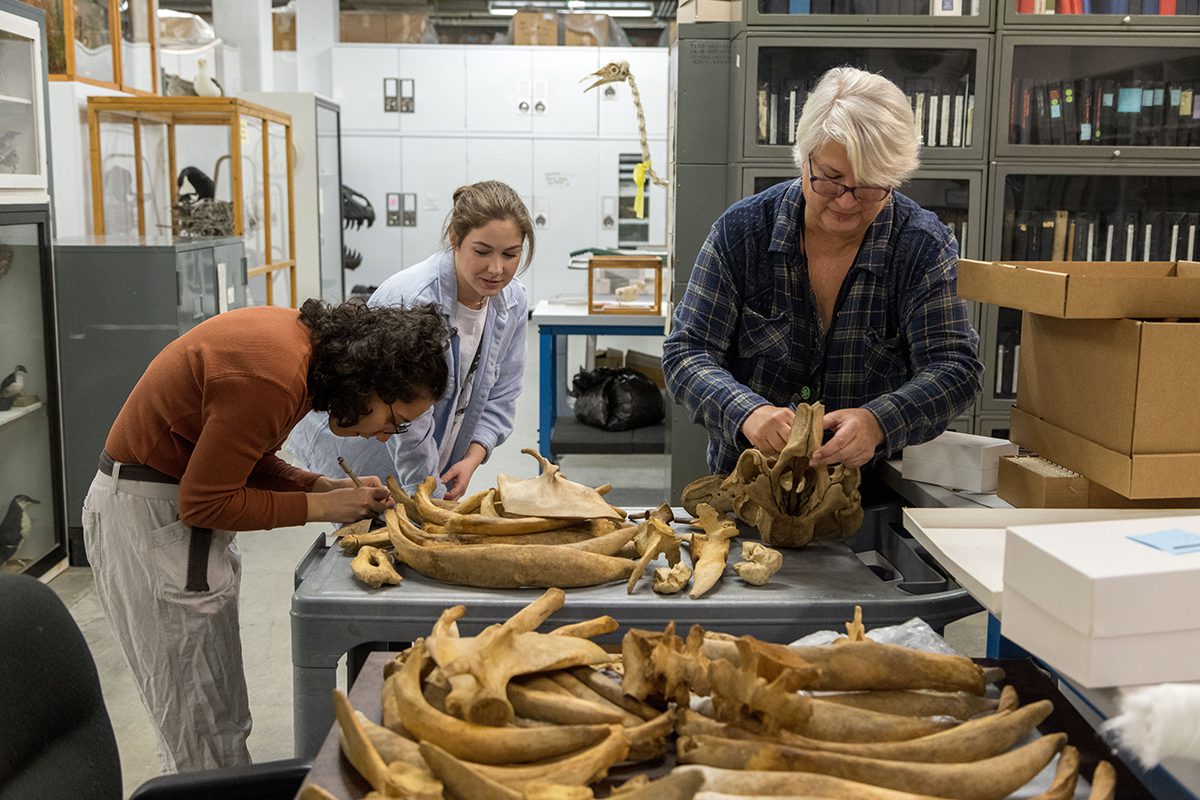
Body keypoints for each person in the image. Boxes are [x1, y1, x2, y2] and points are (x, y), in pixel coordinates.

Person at [82, 300, 450, 773]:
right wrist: (319, 507)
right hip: (153, 517)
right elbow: (204, 501)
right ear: (372, 379)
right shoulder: (274, 375)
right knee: (202, 725)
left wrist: (318, 485)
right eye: (394, 421)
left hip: (164, 508)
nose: (385, 437)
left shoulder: (298, 351)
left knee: (215, 712)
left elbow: (240, 454)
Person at [663, 66, 982, 483]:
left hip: (869, 498)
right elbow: (687, 352)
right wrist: (748, 412)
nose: (847, 202)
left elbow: (955, 366)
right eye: (830, 180)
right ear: (804, 158)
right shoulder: (743, 232)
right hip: (750, 490)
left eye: (869, 186)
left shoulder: (921, 245)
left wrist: (878, 422)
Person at [287, 180, 534, 500]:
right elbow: (406, 418)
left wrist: (472, 458)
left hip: (430, 453)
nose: (496, 268)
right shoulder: (412, 298)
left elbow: (503, 392)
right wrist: (426, 497)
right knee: (377, 527)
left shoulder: (511, 300)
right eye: (482, 251)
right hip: (367, 445)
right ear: (455, 238)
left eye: (510, 254)